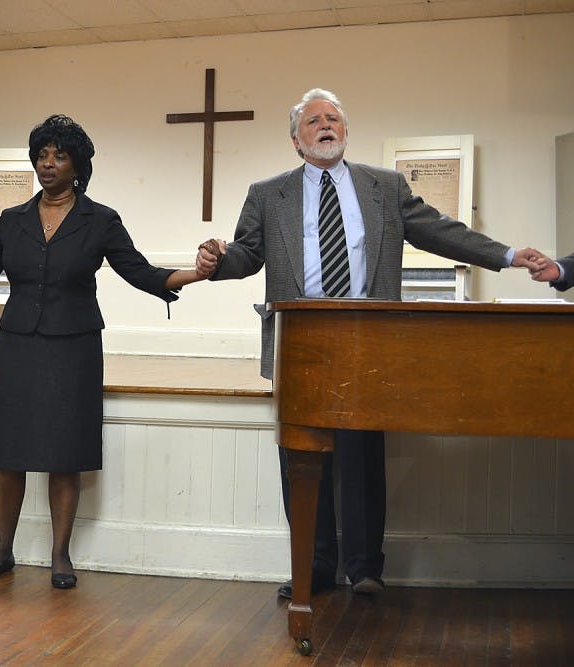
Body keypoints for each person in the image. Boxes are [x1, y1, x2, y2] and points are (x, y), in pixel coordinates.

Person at [195, 88, 544, 598]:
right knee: (303, 459)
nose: (325, 125)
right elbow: (247, 253)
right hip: (302, 341)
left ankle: (364, 569)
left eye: (333, 118)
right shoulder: (269, 194)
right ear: (297, 140)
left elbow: (440, 232)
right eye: (313, 121)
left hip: (368, 339)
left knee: (362, 457)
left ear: (346, 131)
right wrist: (216, 263)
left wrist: (508, 254)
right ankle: (312, 569)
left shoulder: (383, 187)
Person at [0, 114, 210, 588]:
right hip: (18, 345)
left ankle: (60, 554)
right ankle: (2, 549)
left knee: (65, 450)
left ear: (77, 164)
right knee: (9, 451)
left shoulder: (100, 220)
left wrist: (197, 274)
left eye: (59, 155)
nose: (48, 164)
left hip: (75, 347)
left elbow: (141, 272)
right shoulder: (12, 220)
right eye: (41, 155)